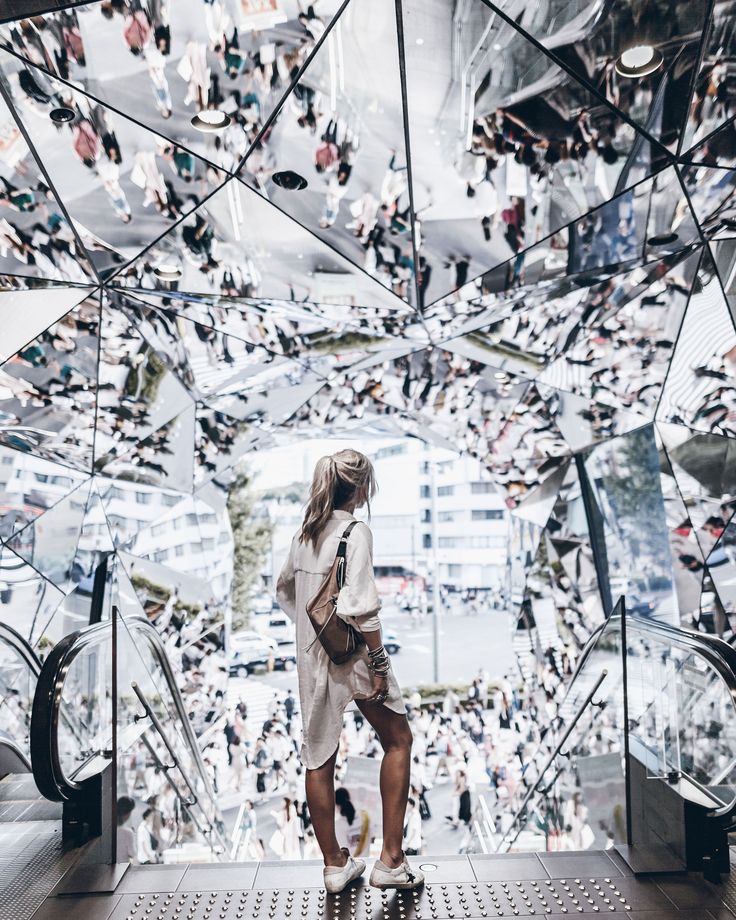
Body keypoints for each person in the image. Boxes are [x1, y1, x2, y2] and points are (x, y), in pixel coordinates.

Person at [277, 449, 422, 893]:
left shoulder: (306, 532)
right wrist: (378, 664)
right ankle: (391, 860)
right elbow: (362, 607)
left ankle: (334, 865)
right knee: (398, 740)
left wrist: (311, 633)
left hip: (312, 658)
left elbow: (285, 590)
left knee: (318, 757)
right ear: (361, 487)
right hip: (355, 657)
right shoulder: (355, 532)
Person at [116, 796, 136, 863]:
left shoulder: (108, 830)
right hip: (122, 868)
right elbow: (132, 853)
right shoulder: (127, 832)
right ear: (128, 814)